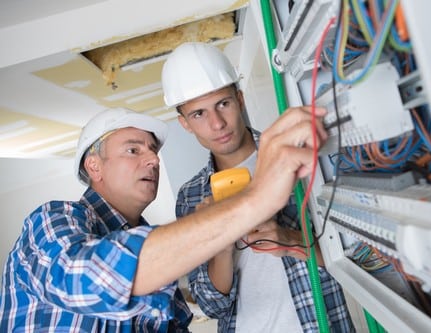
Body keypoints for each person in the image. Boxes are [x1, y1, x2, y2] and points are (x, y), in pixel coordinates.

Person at [0, 105, 328, 332]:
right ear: (94, 166)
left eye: (153, 151)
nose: (153, 161)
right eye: (133, 150)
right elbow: (91, 276)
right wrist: (255, 200)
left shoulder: (162, 260)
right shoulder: (53, 220)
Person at [162, 42, 354, 332]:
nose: (217, 124)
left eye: (223, 104)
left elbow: (355, 256)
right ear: (185, 123)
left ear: (239, 100)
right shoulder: (191, 197)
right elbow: (212, 306)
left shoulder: (294, 154)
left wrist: (291, 240)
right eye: (199, 114)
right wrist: (221, 241)